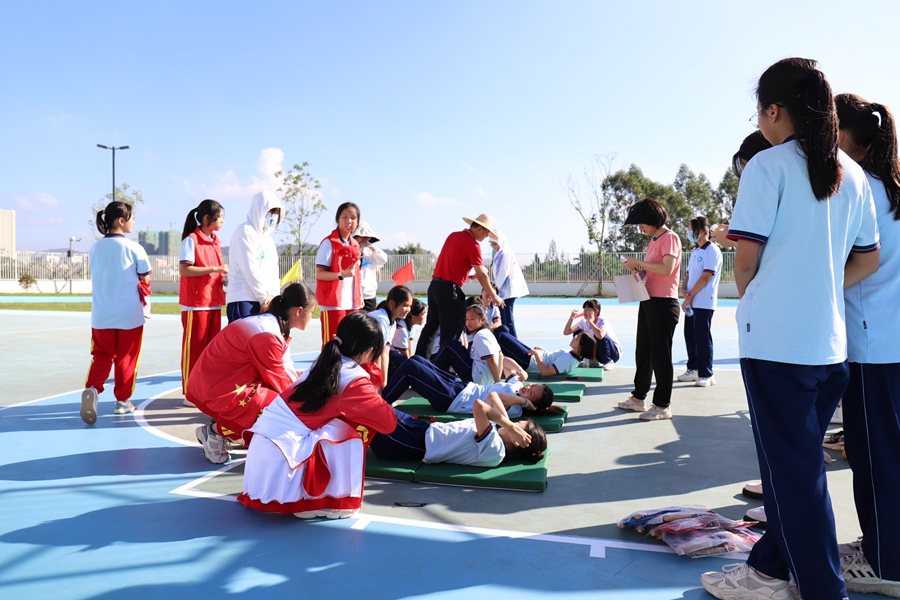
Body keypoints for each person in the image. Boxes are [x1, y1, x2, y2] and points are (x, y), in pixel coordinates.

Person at [700, 58, 880, 600]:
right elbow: (867, 260)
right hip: (830, 349)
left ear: (774, 111)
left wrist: (762, 293)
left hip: (777, 346)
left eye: (760, 113)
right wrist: (820, 283)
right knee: (794, 472)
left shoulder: (768, 166)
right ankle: (769, 571)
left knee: (793, 478)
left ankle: (823, 589)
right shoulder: (853, 175)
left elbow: (745, 261)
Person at [834, 92, 900, 595]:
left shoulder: (859, 190)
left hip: (871, 346)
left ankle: (886, 564)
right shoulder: (893, 190)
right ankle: (883, 544)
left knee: (875, 458)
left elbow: (842, 264)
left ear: (842, 136)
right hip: (890, 342)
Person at [238, 312, 397, 519]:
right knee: (346, 429)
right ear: (369, 352)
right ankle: (323, 499)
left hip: (262, 463)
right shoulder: (354, 380)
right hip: (283, 466)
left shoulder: (324, 363)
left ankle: (311, 494)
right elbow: (388, 423)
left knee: (336, 421)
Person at [187, 283, 317, 464]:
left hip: (223, 384)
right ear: (299, 311)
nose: (312, 316)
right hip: (218, 390)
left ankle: (235, 433)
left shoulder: (271, 326)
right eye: (312, 312)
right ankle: (216, 432)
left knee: (282, 401)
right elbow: (282, 382)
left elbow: (285, 370)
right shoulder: (267, 335)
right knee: (279, 407)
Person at [81, 201, 152, 424]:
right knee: (126, 358)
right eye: (132, 218)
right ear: (121, 221)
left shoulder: (95, 248)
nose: (133, 222)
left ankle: (93, 389)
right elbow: (145, 277)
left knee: (101, 355)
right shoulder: (134, 248)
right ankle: (122, 401)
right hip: (129, 314)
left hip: (101, 315)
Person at [617, 198, 682, 421]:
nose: (640, 228)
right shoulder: (653, 240)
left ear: (653, 219)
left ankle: (663, 405)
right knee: (643, 351)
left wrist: (639, 263)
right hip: (648, 300)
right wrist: (639, 271)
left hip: (664, 303)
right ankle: (638, 398)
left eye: (642, 223)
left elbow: (667, 269)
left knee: (661, 356)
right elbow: (653, 271)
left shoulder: (670, 238)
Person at [371, 387, 546, 468]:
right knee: (372, 403)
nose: (512, 425)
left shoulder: (495, 450)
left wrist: (510, 427)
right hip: (421, 430)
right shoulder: (497, 432)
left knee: (367, 414)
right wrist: (511, 425)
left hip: (413, 443)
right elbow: (494, 396)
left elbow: (479, 406)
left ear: (516, 441)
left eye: (517, 426)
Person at [415, 214, 504, 359]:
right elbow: (482, 275)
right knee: (452, 331)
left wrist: (465, 275)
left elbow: (451, 263)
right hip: (449, 290)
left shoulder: (453, 236)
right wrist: (494, 296)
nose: (486, 237)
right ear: (480, 229)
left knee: (431, 328)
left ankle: (419, 363)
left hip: (435, 286)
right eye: (486, 232)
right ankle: (445, 367)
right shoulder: (473, 245)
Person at [382, 356, 555, 420]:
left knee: (411, 367)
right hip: (462, 386)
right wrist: (519, 369)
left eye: (532, 393)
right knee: (417, 359)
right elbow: (503, 361)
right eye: (533, 386)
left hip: (454, 399)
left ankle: (380, 403)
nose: (529, 388)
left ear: (532, 404)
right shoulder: (517, 386)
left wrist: (524, 402)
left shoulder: (516, 408)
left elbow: (500, 398)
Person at [178, 199, 227, 397]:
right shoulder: (191, 240)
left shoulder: (216, 242)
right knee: (194, 351)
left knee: (211, 352)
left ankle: (205, 390)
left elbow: (215, 272)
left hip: (214, 303)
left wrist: (223, 278)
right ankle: (191, 393)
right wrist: (214, 269)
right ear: (207, 218)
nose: (222, 220)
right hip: (196, 304)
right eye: (219, 217)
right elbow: (184, 269)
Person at [676, 216, 722, 388]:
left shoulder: (713, 250)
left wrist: (690, 296)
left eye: (691, 228)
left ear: (702, 230)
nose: (689, 232)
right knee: (690, 336)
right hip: (691, 303)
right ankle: (693, 368)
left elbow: (706, 276)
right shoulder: (695, 252)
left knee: (702, 337)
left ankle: (707, 373)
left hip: (704, 302)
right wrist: (683, 289)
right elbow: (688, 275)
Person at [226, 191, 283, 323]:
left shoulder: (268, 240)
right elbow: (250, 269)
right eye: (271, 212)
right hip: (244, 298)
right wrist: (263, 297)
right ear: (259, 210)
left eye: (276, 213)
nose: (274, 216)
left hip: (266, 302)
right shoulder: (244, 232)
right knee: (244, 336)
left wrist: (273, 297)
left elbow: (274, 272)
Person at [711, 131, 773, 249]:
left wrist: (735, 241)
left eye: (747, 168)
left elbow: (751, 256)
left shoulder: (759, 199)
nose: (745, 177)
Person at [316, 202, 363, 347]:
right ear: (337, 219)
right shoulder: (328, 243)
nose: (349, 221)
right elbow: (320, 274)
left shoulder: (355, 244)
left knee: (350, 345)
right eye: (344, 217)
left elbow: (355, 275)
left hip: (352, 304)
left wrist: (359, 295)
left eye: (353, 218)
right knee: (332, 346)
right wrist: (341, 275)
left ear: (357, 222)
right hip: (333, 304)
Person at [433, 304, 502, 385]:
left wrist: (497, 383)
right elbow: (500, 355)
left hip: (477, 379)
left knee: (448, 346)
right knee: (456, 345)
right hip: (483, 377)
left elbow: (491, 360)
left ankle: (429, 374)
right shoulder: (489, 333)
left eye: (472, 319)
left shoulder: (480, 335)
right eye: (466, 319)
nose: (468, 323)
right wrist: (495, 379)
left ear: (483, 320)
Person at [496, 330, 596, 378]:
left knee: (501, 337)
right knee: (503, 332)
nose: (573, 338)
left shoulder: (568, 360)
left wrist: (536, 354)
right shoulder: (572, 357)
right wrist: (544, 351)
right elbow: (552, 359)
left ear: (581, 347)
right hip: (531, 357)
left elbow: (546, 372)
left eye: (577, 339)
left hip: (528, 361)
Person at [367, 285, 413, 380]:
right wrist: (379, 382)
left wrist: (384, 382)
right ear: (391, 303)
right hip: (360, 361)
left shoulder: (392, 322)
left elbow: (385, 353)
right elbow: (377, 354)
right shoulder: (381, 319)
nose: (408, 310)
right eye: (405, 305)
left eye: (410, 306)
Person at [489, 230, 529, 338]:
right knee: (505, 319)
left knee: (507, 319)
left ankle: (513, 342)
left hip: (506, 292)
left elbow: (503, 272)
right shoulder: (501, 252)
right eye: (492, 244)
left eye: (494, 244)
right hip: (505, 292)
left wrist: (494, 289)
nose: (493, 247)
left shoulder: (505, 253)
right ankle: (509, 341)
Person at [562, 299, 621, 369]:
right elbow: (566, 332)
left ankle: (608, 362)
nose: (585, 311)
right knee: (578, 333)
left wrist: (590, 322)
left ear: (596, 312)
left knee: (597, 335)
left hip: (613, 353)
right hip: (599, 352)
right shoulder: (583, 322)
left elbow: (601, 335)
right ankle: (591, 360)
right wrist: (571, 317)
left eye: (588, 309)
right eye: (584, 309)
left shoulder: (602, 320)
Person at [353, 220, 387, 314]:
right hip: (353, 295)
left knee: (369, 321)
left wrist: (371, 246)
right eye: (362, 236)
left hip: (369, 295)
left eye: (367, 237)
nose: (365, 239)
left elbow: (383, 259)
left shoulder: (370, 252)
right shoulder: (349, 250)